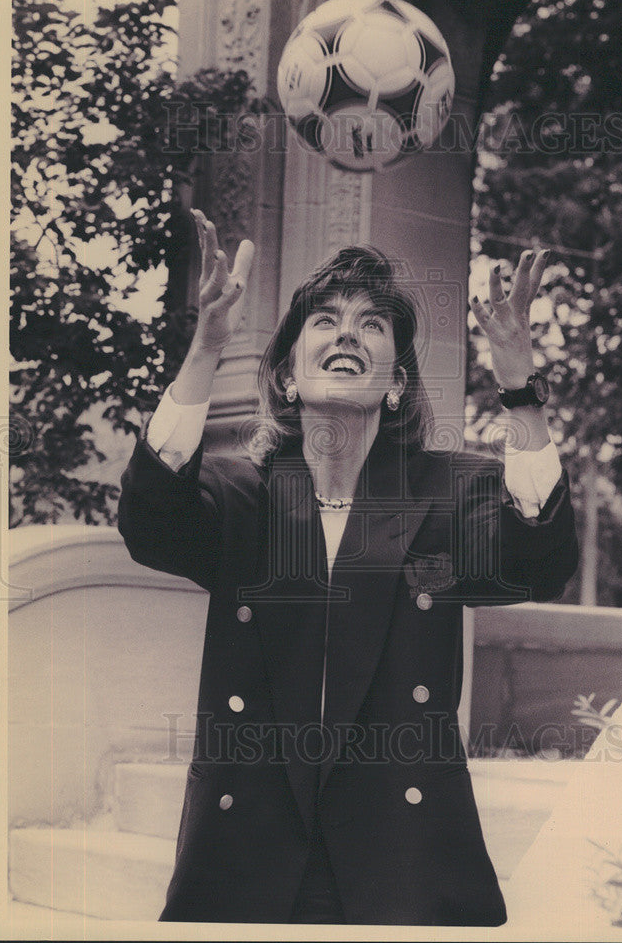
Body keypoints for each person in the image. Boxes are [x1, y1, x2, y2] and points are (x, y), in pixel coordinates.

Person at [118, 209, 578, 926]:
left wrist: (518, 385)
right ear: (290, 377)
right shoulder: (243, 493)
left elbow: (539, 563)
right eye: (325, 322)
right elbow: (151, 523)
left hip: (401, 860)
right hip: (249, 858)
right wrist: (204, 351)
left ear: (396, 384)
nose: (346, 335)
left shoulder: (451, 492)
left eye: (372, 325)